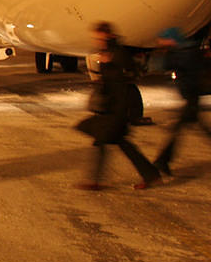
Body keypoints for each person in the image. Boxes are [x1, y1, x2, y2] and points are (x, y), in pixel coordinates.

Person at [76, 22, 161, 190]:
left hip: (118, 107)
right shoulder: (108, 53)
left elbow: (130, 76)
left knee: (102, 141)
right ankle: (152, 175)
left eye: (98, 37)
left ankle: (95, 181)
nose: (96, 40)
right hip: (111, 106)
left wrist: (110, 64)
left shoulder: (118, 53)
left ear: (106, 35)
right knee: (122, 144)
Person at [152, 28, 211, 176]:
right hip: (191, 95)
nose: (160, 42)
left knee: (179, 131)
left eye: (163, 38)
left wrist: (165, 52)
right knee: (196, 129)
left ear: (172, 39)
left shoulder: (183, 53)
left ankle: (162, 161)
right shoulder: (185, 50)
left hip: (192, 95)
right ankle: (163, 161)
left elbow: (164, 65)